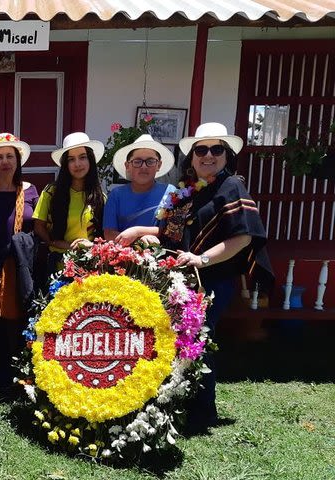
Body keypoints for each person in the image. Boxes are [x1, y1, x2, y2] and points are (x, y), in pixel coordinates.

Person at [157, 122, 273, 433]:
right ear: (192, 157)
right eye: (201, 150)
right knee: (178, 340)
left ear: (227, 155)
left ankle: (203, 412)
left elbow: (244, 237)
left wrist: (202, 259)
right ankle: (177, 403)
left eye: (216, 149)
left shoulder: (231, 187)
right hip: (183, 280)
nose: (208, 155)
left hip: (213, 280)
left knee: (197, 341)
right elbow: (167, 235)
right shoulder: (189, 192)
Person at [0, 133, 39, 392]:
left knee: (18, 319)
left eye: (9, 156)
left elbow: (38, 227)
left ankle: (18, 377)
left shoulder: (30, 190)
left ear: (18, 160)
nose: (4, 161)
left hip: (18, 264)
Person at [33, 132, 106, 277]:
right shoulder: (51, 192)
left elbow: (104, 236)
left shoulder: (100, 197)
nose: (77, 164)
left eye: (83, 157)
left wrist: (90, 247)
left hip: (90, 268)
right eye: (71, 159)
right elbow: (39, 226)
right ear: (65, 164)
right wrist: (58, 244)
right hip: (57, 267)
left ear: (90, 160)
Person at [104, 134, 175, 245]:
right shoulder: (116, 195)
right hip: (122, 257)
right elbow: (109, 234)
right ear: (127, 166)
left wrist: (137, 231)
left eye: (150, 161)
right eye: (137, 161)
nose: (144, 166)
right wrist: (138, 242)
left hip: (161, 258)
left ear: (159, 165)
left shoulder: (170, 192)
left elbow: (170, 229)